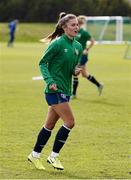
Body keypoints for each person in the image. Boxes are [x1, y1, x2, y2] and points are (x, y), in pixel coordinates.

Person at [28, 13, 83, 170]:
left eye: (77, 24)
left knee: (49, 125)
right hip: (54, 90)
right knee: (70, 122)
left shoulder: (78, 46)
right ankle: (53, 157)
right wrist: (50, 81)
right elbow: (43, 63)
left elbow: (71, 68)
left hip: (66, 89)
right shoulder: (57, 43)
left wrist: (75, 70)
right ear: (64, 27)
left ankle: (34, 155)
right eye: (72, 25)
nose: (76, 27)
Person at [72, 16, 103, 99]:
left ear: (80, 24)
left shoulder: (84, 32)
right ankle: (99, 85)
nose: (76, 26)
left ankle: (74, 94)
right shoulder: (74, 32)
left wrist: (87, 49)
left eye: (77, 24)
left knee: (75, 73)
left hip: (82, 55)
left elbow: (93, 41)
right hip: (76, 55)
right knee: (84, 74)